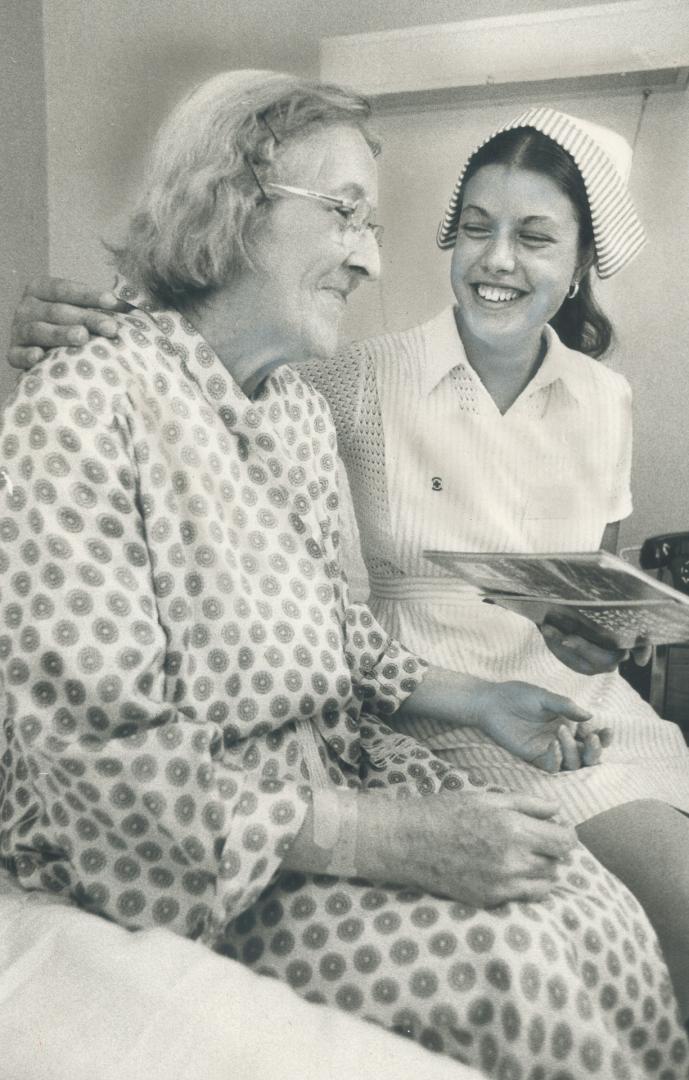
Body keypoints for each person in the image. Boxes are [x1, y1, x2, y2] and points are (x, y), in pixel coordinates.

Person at [2, 74, 686, 1078]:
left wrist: (491, 695)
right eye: (345, 214)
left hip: (349, 771)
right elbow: (103, 774)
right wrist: (391, 836)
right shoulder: (88, 406)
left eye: (374, 221)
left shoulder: (289, 413)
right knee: (518, 971)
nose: (371, 255)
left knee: (594, 919)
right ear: (227, 202)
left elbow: (344, 639)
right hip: (202, 847)